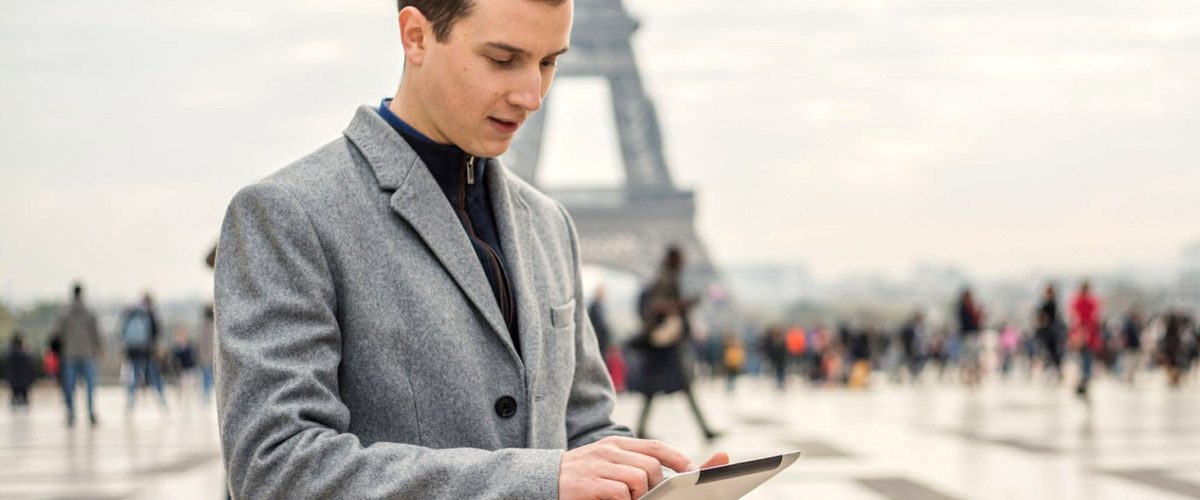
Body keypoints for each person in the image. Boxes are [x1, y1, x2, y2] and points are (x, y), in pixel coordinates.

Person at [213, 1, 727, 497]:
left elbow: (582, 427)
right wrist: (541, 482)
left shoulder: (550, 226)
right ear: (416, 36)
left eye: (549, 63)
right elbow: (275, 467)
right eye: (503, 60)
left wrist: (645, 482)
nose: (532, 94)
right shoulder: (286, 215)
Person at [626, 246, 720, 441]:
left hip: (664, 345)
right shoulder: (665, 278)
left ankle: (703, 429)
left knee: (663, 389)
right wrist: (682, 305)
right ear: (673, 259)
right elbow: (656, 305)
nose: (684, 263)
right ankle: (704, 430)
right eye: (681, 259)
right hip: (664, 345)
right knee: (679, 386)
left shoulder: (666, 276)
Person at [54, 283, 102, 427]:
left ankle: (71, 412)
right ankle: (91, 412)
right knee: (90, 386)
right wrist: (98, 348)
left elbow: (58, 334)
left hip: (69, 353)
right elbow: (96, 334)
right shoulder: (89, 312)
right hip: (87, 353)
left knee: (70, 386)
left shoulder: (65, 313)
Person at [121, 293, 167, 409]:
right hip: (148, 350)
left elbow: (123, 331)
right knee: (154, 375)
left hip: (133, 350)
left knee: (135, 375)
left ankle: (130, 401)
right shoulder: (151, 313)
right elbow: (156, 332)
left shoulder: (132, 312)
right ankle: (161, 400)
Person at [1069, 280, 1102, 398]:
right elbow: (1095, 318)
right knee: (1087, 360)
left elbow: (1073, 318)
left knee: (1080, 360)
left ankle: (1081, 381)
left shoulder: (1076, 301)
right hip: (1089, 335)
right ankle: (1084, 380)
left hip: (1079, 335)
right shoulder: (1092, 302)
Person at [1034, 284, 1064, 382]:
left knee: (1052, 353)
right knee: (1048, 352)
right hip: (1047, 332)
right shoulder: (1045, 304)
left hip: (1051, 332)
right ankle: (1051, 370)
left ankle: (1054, 371)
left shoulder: (1051, 304)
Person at [5, 333, 35, 409]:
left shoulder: (10, 354)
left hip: (15, 381)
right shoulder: (24, 354)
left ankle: (17, 400)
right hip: (23, 381)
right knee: (23, 396)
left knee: (16, 395)